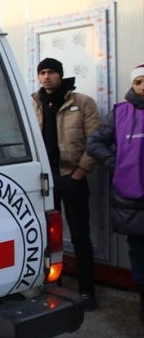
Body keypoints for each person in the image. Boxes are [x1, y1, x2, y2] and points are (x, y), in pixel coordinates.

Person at [32, 57, 101, 311]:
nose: (47, 77)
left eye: (51, 72)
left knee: (80, 235)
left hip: (72, 178)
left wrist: (81, 172)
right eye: (43, 73)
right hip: (44, 182)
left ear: (60, 75)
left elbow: (95, 141)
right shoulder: (33, 102)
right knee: (48, 238)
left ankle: (86, 291)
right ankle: (53, 285)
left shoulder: (81, 102)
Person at [87, 63, 144, 324]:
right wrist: (117, 164)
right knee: (138, 251)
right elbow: (95, 143)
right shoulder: (120, 113)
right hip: (132, 198)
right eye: (138, 82)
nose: (142, 87)